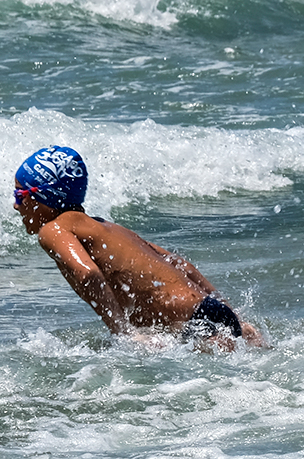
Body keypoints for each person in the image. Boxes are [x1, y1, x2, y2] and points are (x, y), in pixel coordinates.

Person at [13, 146, 263, 348]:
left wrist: (123, 333)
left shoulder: (53, 229)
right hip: (211, 312)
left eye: (20, 196)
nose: (16, 206)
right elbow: (180, 264)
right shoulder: (109, 228)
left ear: (42, 198)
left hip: (190, 326)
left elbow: (87, 274)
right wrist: (237, 319)